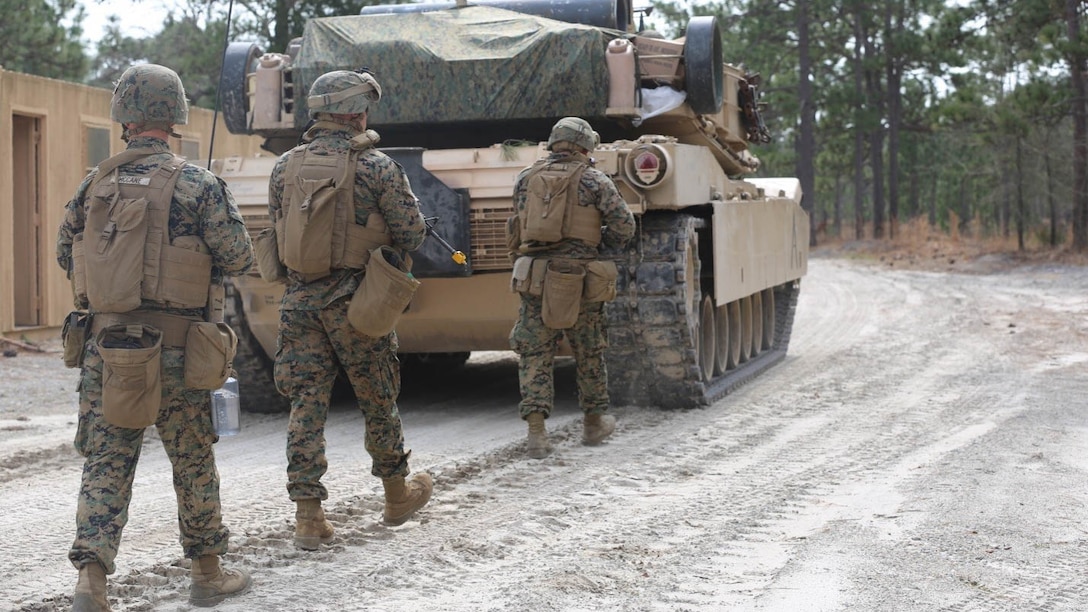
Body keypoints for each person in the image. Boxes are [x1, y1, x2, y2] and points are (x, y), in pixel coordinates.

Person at [56, 64, 255, 610]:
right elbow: (240, 258)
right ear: (175, 118)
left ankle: (91, 584)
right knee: (192, 460)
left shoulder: (94, 183)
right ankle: (207, 575)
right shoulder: (198, 184)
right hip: (179, 350)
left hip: (108, 349)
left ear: (124, 117)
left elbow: (64, 254)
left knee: (107, 463)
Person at [266, 69, 433, 550]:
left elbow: (278, 228)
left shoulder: (285, 166)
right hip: (356, 300)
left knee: (306, 404)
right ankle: (397, 494)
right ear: (357, 112)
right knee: (377, 397)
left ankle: (308, 515)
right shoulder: (378, 166)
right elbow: (411, 233)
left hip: (299, 300)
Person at [507, 117, 636, 458]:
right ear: (584, 147)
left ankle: (537, 434)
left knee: (535, 354)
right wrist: (597, 248)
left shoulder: (526, 178)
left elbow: (515, 227)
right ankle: (593, 424)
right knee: (589, 351)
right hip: (581, 278)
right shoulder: (594, 180)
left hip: (535, 276)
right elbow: (624, 225)